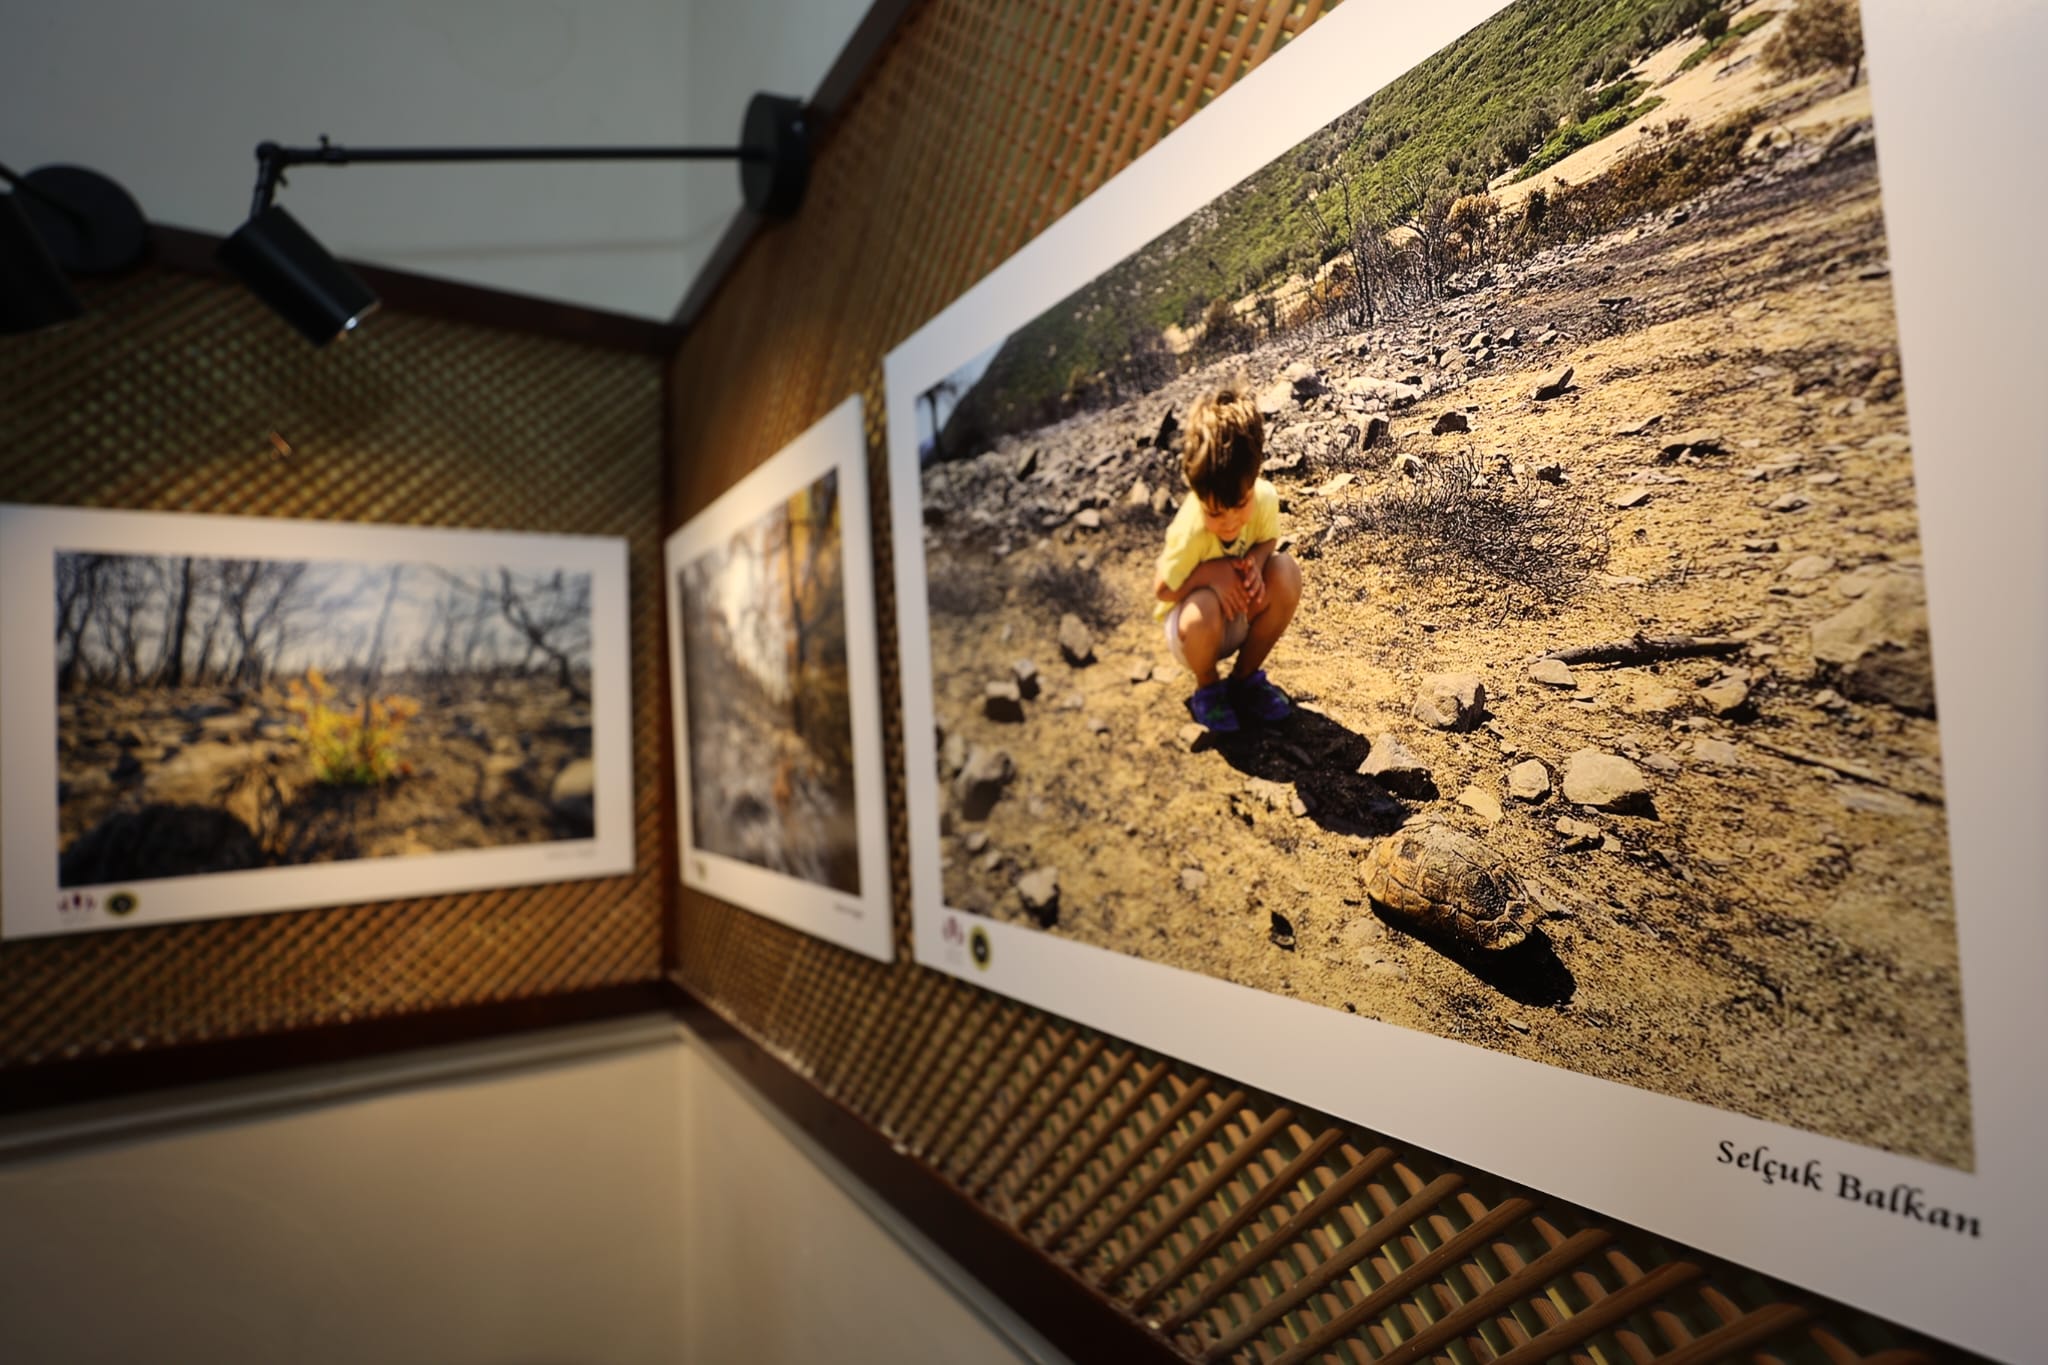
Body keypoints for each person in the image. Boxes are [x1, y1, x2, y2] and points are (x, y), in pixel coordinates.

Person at [1152, 383, 1302, 733]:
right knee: (1202, 607)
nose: (1230, 522)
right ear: (1197, 493)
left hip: (1239, 612)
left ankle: (1244, 681)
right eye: (1215, 513)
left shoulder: (1264, 497)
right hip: (1195, 632)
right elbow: (1162, 590)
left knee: (1285, 569)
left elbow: (1269, 540)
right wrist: (1210, 574)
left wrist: (1257, 559)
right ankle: (1208, 689)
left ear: (1254, 478)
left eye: (1239, 506)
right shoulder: (1189, 527)